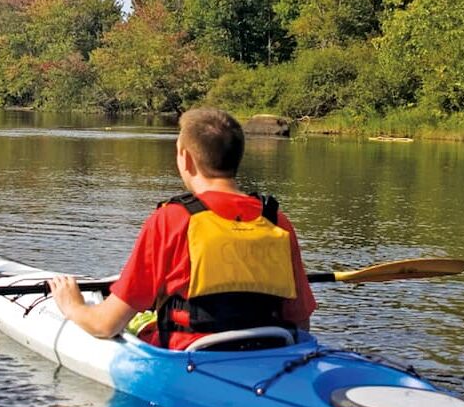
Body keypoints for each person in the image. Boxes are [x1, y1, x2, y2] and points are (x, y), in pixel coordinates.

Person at [49, 108, 316, 349]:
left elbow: (106, 325)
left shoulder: (171, 219)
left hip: (189, 357)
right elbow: (300, 322)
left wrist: (73, 306)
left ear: (186, 159)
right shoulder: (275, 221)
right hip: (268, 350)